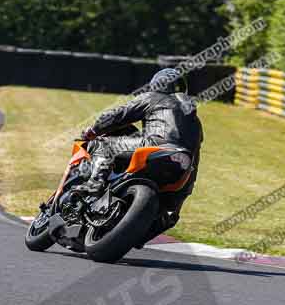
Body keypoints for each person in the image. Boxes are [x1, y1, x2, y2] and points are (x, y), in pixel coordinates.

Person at [76, 68, 203, 227]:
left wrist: (93, 130)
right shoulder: (195, 122)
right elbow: (195, 163)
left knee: (104, 145)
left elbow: (118, 115)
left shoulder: (154, 97)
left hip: (155, 146)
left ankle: (94, 183)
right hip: (182, 164)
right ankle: (156, 221)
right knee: (166, 215)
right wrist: (179, 202)